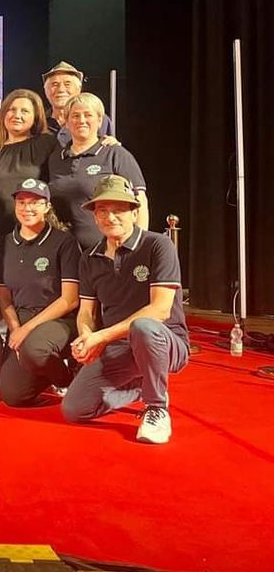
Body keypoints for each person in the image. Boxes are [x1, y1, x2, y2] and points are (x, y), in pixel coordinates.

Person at [61, 176, 189, 444]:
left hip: (164, 341)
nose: (110, 217)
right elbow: (86, 312)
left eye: (118, 209)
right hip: (118, 345)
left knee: (143, 327)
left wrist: (101, 337)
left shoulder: (158, 245)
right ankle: (138, 387)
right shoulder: (89, 257)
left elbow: (160, 310)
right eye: (102, 210)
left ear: (134, 212)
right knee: (74, 409)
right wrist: (86, 336)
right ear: (95, 216)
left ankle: (156, 407)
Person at [0, 179, 81, 406]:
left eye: (35, 202)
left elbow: (70, 300)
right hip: (22, 320)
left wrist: (27, 331)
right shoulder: (3, 244)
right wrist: (16, 330)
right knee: (13, 396)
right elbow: (4, 296)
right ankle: (42, 365)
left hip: (58, 320)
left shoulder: (64, 242)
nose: (27, 208)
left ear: (47, 206)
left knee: (35, 348)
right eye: (21, 202)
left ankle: (67, 377)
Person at [48, 92, 148, 249]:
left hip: (108, 251)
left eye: (88, 115)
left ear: (100, 120)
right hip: (64, 252)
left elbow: (139, 200)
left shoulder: (115, 154)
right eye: (75, 116)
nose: (81, 120)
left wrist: (138, 247)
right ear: (66, 122)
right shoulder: (55, 158)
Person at [0, 88, 57, 239]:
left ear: (35, 117)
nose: (17, 115)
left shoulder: (46, 143)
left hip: (35, 235)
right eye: (12, 109)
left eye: (24, 111)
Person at [42, 61, 114, 147]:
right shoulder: (39, 121)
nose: (60, 89)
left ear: (79, 89)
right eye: (55, 84)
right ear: (45, 90)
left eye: (67, 84)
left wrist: (114, 145)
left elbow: (109, 148)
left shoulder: (96, 119)